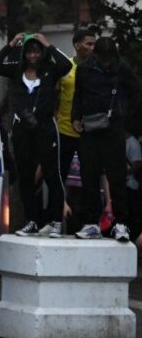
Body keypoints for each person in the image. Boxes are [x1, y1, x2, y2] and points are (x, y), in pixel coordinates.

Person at [0, 32, 71, 237]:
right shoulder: (17, 71)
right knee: (25, 177)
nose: (33, 56)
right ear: (24, 54)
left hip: (45, 128)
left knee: (52, 175)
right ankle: (32, 220)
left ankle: (56, 221)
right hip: (22, 129)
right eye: (29, 52)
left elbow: (66, 65)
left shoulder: (50, 70)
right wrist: (11, 44)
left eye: (36, 52)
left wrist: (47, 44)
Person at [72, 37, 142, 241]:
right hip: (91, 127)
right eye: (103, 58)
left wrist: (125, 117)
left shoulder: (122, 69)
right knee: (89, 176)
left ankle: (120, 222)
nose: (106, 62)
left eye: (108, 58)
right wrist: (76, 117)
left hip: (113, 128)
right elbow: (78, 94)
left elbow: (136, 92)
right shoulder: (85, 69)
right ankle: (91, 222)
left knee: (117, 175)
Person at [56, 29, 97, 220]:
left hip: (88, 132)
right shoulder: (66, 67)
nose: (92, 47)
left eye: (94, 44)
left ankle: (90, 220)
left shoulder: (97, 68)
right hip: (64, 130)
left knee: (90, 177)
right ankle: (55, 218)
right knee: (58, 176)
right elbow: (54, 95)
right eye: (88, 43)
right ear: (77, 45)